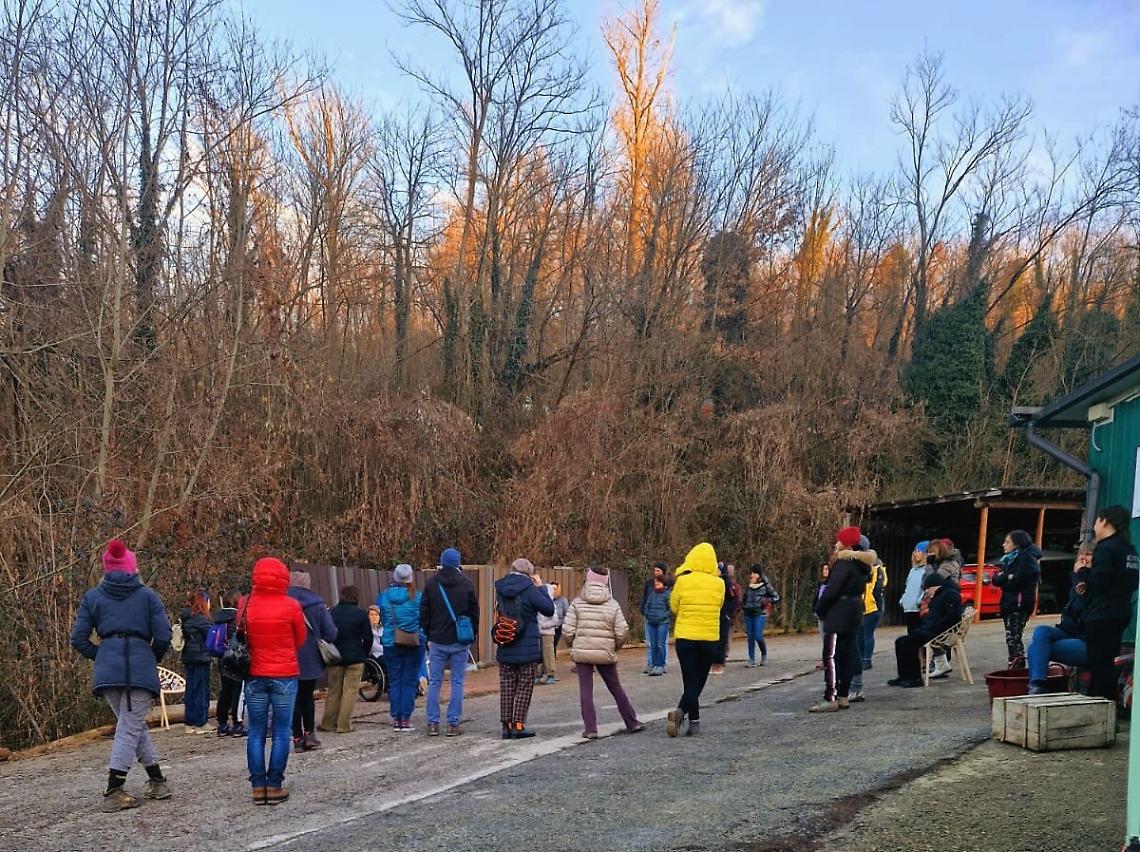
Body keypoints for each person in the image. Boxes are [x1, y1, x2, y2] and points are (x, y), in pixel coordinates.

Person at [70, 539, 173, 812]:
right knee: (129, 726)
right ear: (131, 567)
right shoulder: (147, 596)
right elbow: (163, 635)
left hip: (107, 669)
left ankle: (157, 780)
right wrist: (152, 656)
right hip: (139, 665)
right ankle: (113, 789)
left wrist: (99, 655)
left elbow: (78, 638)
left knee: (132, 725)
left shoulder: (93, 598)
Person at [241, 556, 307, 806]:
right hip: (284, 675)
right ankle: (275, 784)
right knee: (282, 731)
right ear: (283, 578)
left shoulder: (245, 604)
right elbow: (300, 638)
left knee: (256, 732)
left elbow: (240, 635)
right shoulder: (291, 606)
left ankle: (258, 786)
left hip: (254, 675)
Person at [562, 566, 645, 738]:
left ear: (588, 579)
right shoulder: (612, 605)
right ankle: (632, 722)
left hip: (582, 652)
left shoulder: (577, 603)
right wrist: (613, 647)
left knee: (586, 690)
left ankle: (591, 729)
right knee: (615, 687)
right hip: (605, 652)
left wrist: (574, 645)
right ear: (606, 581)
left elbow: (567, 630)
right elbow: (622, 631)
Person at [667, 542, 725, 737]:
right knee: (698, 682)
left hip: (685, 637)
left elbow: (674, 607)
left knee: (689, 681)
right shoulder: (720, 583)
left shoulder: (683, 581)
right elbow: (720, 605)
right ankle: (690, 720)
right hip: (709, 639)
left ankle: (685, 715)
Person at [495, 557, 555, 739]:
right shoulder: (530, 589)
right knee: (524, 686)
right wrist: (541, 587)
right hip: (526, 644)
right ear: (529, 573)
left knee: (506, 684)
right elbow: (548, 609)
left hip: (505, 640)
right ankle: (518, 726)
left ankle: (506, 726)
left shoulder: (500, 587)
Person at [421, 547, 479, 737]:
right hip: (459, 641)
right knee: (457, 681)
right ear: (458, 562)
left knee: (435, 682)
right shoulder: (467, 583)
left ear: (442, 561)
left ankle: (432, 723)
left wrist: (429, 634)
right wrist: (472, 635)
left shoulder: (432, 583)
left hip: (437, 639)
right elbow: (474, 613)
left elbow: (424, 612)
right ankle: (453, 723)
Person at [811, 526, 870, 712]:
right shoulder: (861, 566)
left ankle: (831, 697)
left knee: (831, 656)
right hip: (853, 612)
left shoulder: (843, 565)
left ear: (846, 544)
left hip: (839, 614)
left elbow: (831, 591)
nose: (835, 544)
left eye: (838, 541)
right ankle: (843, 695)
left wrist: (819, 609)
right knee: (847, 655)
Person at [1085, 505, 1140, 702]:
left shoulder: (1106, 547)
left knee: (1099, 665)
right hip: (1122, 611)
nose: (1094, 526)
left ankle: (1099, 705)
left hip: (1102, 614)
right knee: (1109, 662)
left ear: (1105, 521)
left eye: (1096, 521)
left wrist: (1084, 575)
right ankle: (1107, 703)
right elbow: (1133, 582)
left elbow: (1099, 581)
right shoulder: (1129, 549)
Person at [1027, 544, 1093, 694]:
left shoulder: (1093, 580)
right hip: (1070, 631)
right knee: (1041, 631)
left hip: (1086, 638)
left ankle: (1037, 686)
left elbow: (1080, 609)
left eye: (1088, 554)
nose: (1083, 558)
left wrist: (1080, 575)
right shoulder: (1077, 579)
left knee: (1034, 649)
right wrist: (1077, 577)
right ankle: (1037, 684)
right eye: (1081, 554)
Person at [287, 570, 337, 750]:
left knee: (292, 698)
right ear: (307, 584)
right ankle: (309, 734)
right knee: (307, 696)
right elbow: (331, 632)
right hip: (310, 658)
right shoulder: (317, 603)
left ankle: (297, 738)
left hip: (287, 658)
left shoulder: (282, 602)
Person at [888, 572, 963, 688]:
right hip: (932, 629)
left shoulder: (950, 595)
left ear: (935, 586)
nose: (926, 592)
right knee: (900, 641)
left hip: (939, 632)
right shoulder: (941, 595)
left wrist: (933, 626)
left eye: (927, 589)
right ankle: (904, 676)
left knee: (909, 643)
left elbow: (953, 617)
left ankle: (915, 678)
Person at [378, 563, 425, 731]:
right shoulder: (417, 597)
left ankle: (396, 718)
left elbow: (382, 617)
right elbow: (423, 619)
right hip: (413, 641)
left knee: (395, 679)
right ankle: (405, 718)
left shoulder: (384, 597)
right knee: (410, 680)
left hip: (391, 642)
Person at [320, 585, 371, 734]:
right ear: (356, 597)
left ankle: (328, 723)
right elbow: (368, 638)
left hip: (335, 657)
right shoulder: (361, 614)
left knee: (333, 691)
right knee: (350, 691)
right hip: (355, 658)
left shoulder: (332, 612)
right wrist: (364, 654)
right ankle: (343, 725)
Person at [993, 529, 1042, 666]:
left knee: (1014, 637)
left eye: (1007, 542)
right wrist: (1006, 577)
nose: (1004, 545)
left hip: (1019, 603)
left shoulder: (1026, 559)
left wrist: (1007, 579)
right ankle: (1014, 663)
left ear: (1017, 543)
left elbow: (1016, 581)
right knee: (1010, 637)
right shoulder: (1009, 560)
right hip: (1009, 601)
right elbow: (996, 579)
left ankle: (1017, 665)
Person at [179, 590, 214, 732]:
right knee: (202, 690)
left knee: (191, 690)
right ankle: (201, 721)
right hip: (201, 657)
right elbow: (211, 636)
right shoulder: (202, 619)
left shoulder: (186, 618)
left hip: (189, 656)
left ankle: (189, 721)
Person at [214, 590, 245, 737]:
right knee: (238, 691)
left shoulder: (218, 617)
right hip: (236, 658)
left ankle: (222, 723)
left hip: (222, 658)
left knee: (225, 691)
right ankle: (237, 723)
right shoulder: (237, 618)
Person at [741, 565, 779, 667]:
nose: (751, 575)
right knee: (750, 636)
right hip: (748, 612)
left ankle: (764, 654)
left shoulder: (766, 585)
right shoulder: (749, 586)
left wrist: (766, 601)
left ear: (758, 574)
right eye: (751, 573)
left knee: (758, 635)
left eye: (753, 573)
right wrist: (743, 605)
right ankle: (751, 659)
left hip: (760, 612)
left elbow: (776, 597)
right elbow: (744, 598)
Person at [640, 573, 672, 675]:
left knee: (660, 644)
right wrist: (647, 615)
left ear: (664, 583)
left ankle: (660, 665)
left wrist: (662, 616)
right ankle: (654, 664)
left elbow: (670, 609)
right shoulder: (652, 593)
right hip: (651, 622)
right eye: (655, 583)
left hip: (663, 623)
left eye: (658, 583)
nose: (656, 585)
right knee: (652, 645)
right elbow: (647, 605)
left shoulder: (668, 594)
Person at [899, 541, 929, 631]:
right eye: (915, 551)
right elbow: (907, 586)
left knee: (918, 633)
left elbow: (926, 588)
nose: (916, 554)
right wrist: (903, 599)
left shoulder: (927, 570)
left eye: (919, 551)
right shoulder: (913, 570)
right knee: (910, 632)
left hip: (918, 608)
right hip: (908, 607)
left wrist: (919, 600)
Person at [535, 574, 559, 685]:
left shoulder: (551, 605)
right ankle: (538, 673)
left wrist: (542, 625)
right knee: (538, 654)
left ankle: (551, 674)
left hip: (548, 633)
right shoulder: (538, 604)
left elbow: (555, 621)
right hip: (538, 632)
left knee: (548, 654)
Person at [551, 581, 570, 657]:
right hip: (547, 626)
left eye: (556, 588)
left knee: (553, 643)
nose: (554, 590)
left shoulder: (563, 600)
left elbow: (567, 614)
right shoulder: (546, 599)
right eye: (553, 588)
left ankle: (552, 661)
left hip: (558, 627)